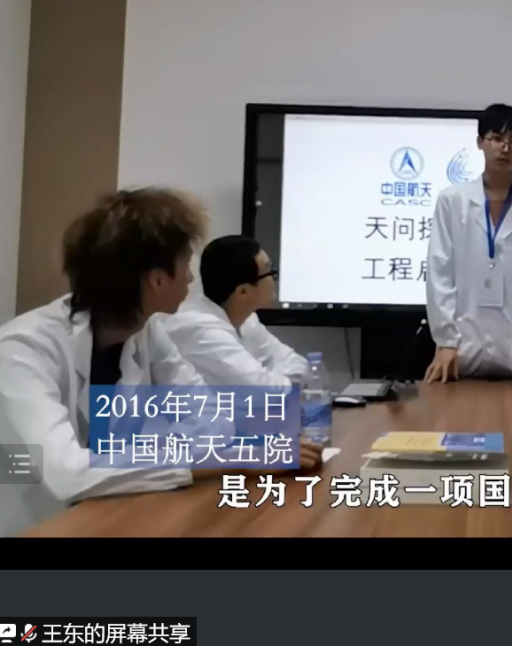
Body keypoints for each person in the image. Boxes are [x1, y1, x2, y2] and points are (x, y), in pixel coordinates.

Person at [0, 190, 322, 537]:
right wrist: (241, 458)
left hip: (114, 510)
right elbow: (68, 473)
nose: (191, 279)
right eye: (186, 264)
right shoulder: (24, 349)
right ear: (156, 278)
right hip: (37, 523)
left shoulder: (145, 330)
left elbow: (213, 423)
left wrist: (143, 455)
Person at [425, 104, 512, 385]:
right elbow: (440, 273)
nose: (505, 148)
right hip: (460, 351)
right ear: (480, 142)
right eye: (497, 138)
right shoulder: (452, 201)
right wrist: (446, 342)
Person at [163, 235, 308, 387]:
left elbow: (297, 364)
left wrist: (276, 379)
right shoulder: (200, 330)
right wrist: (280, 380)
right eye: (270, 272)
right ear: (243, 292)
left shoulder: (247, 320)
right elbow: (261, 390)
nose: (275, 277)